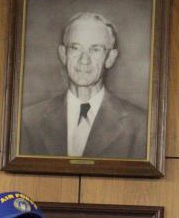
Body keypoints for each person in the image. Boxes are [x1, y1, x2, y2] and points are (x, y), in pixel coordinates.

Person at [19, 12, 147, 159]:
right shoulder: (29, 120)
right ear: (63, 54)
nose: (84, 60)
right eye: (75, 48)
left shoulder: (139, 125)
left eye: (95, 49)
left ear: (110, 58)